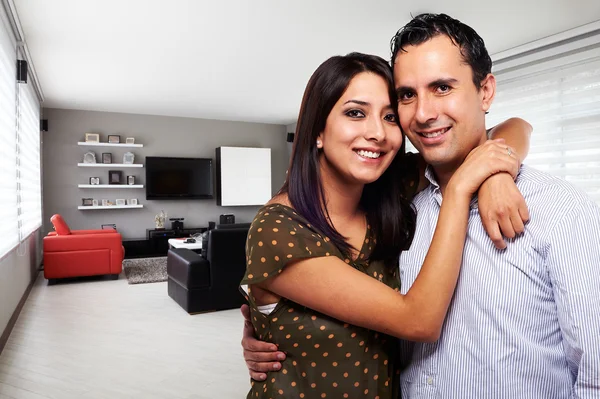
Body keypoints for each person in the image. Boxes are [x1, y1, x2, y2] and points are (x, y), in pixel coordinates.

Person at [243, 13, 600, 398]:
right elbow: (413, 320)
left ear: (486, 91)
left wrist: (498, 169)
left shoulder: (557, 210)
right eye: (408, 95)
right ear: (316, 130)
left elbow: (513, 126)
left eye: (442, 87)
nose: (422, 114)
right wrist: (265, 319)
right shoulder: (399, 199)